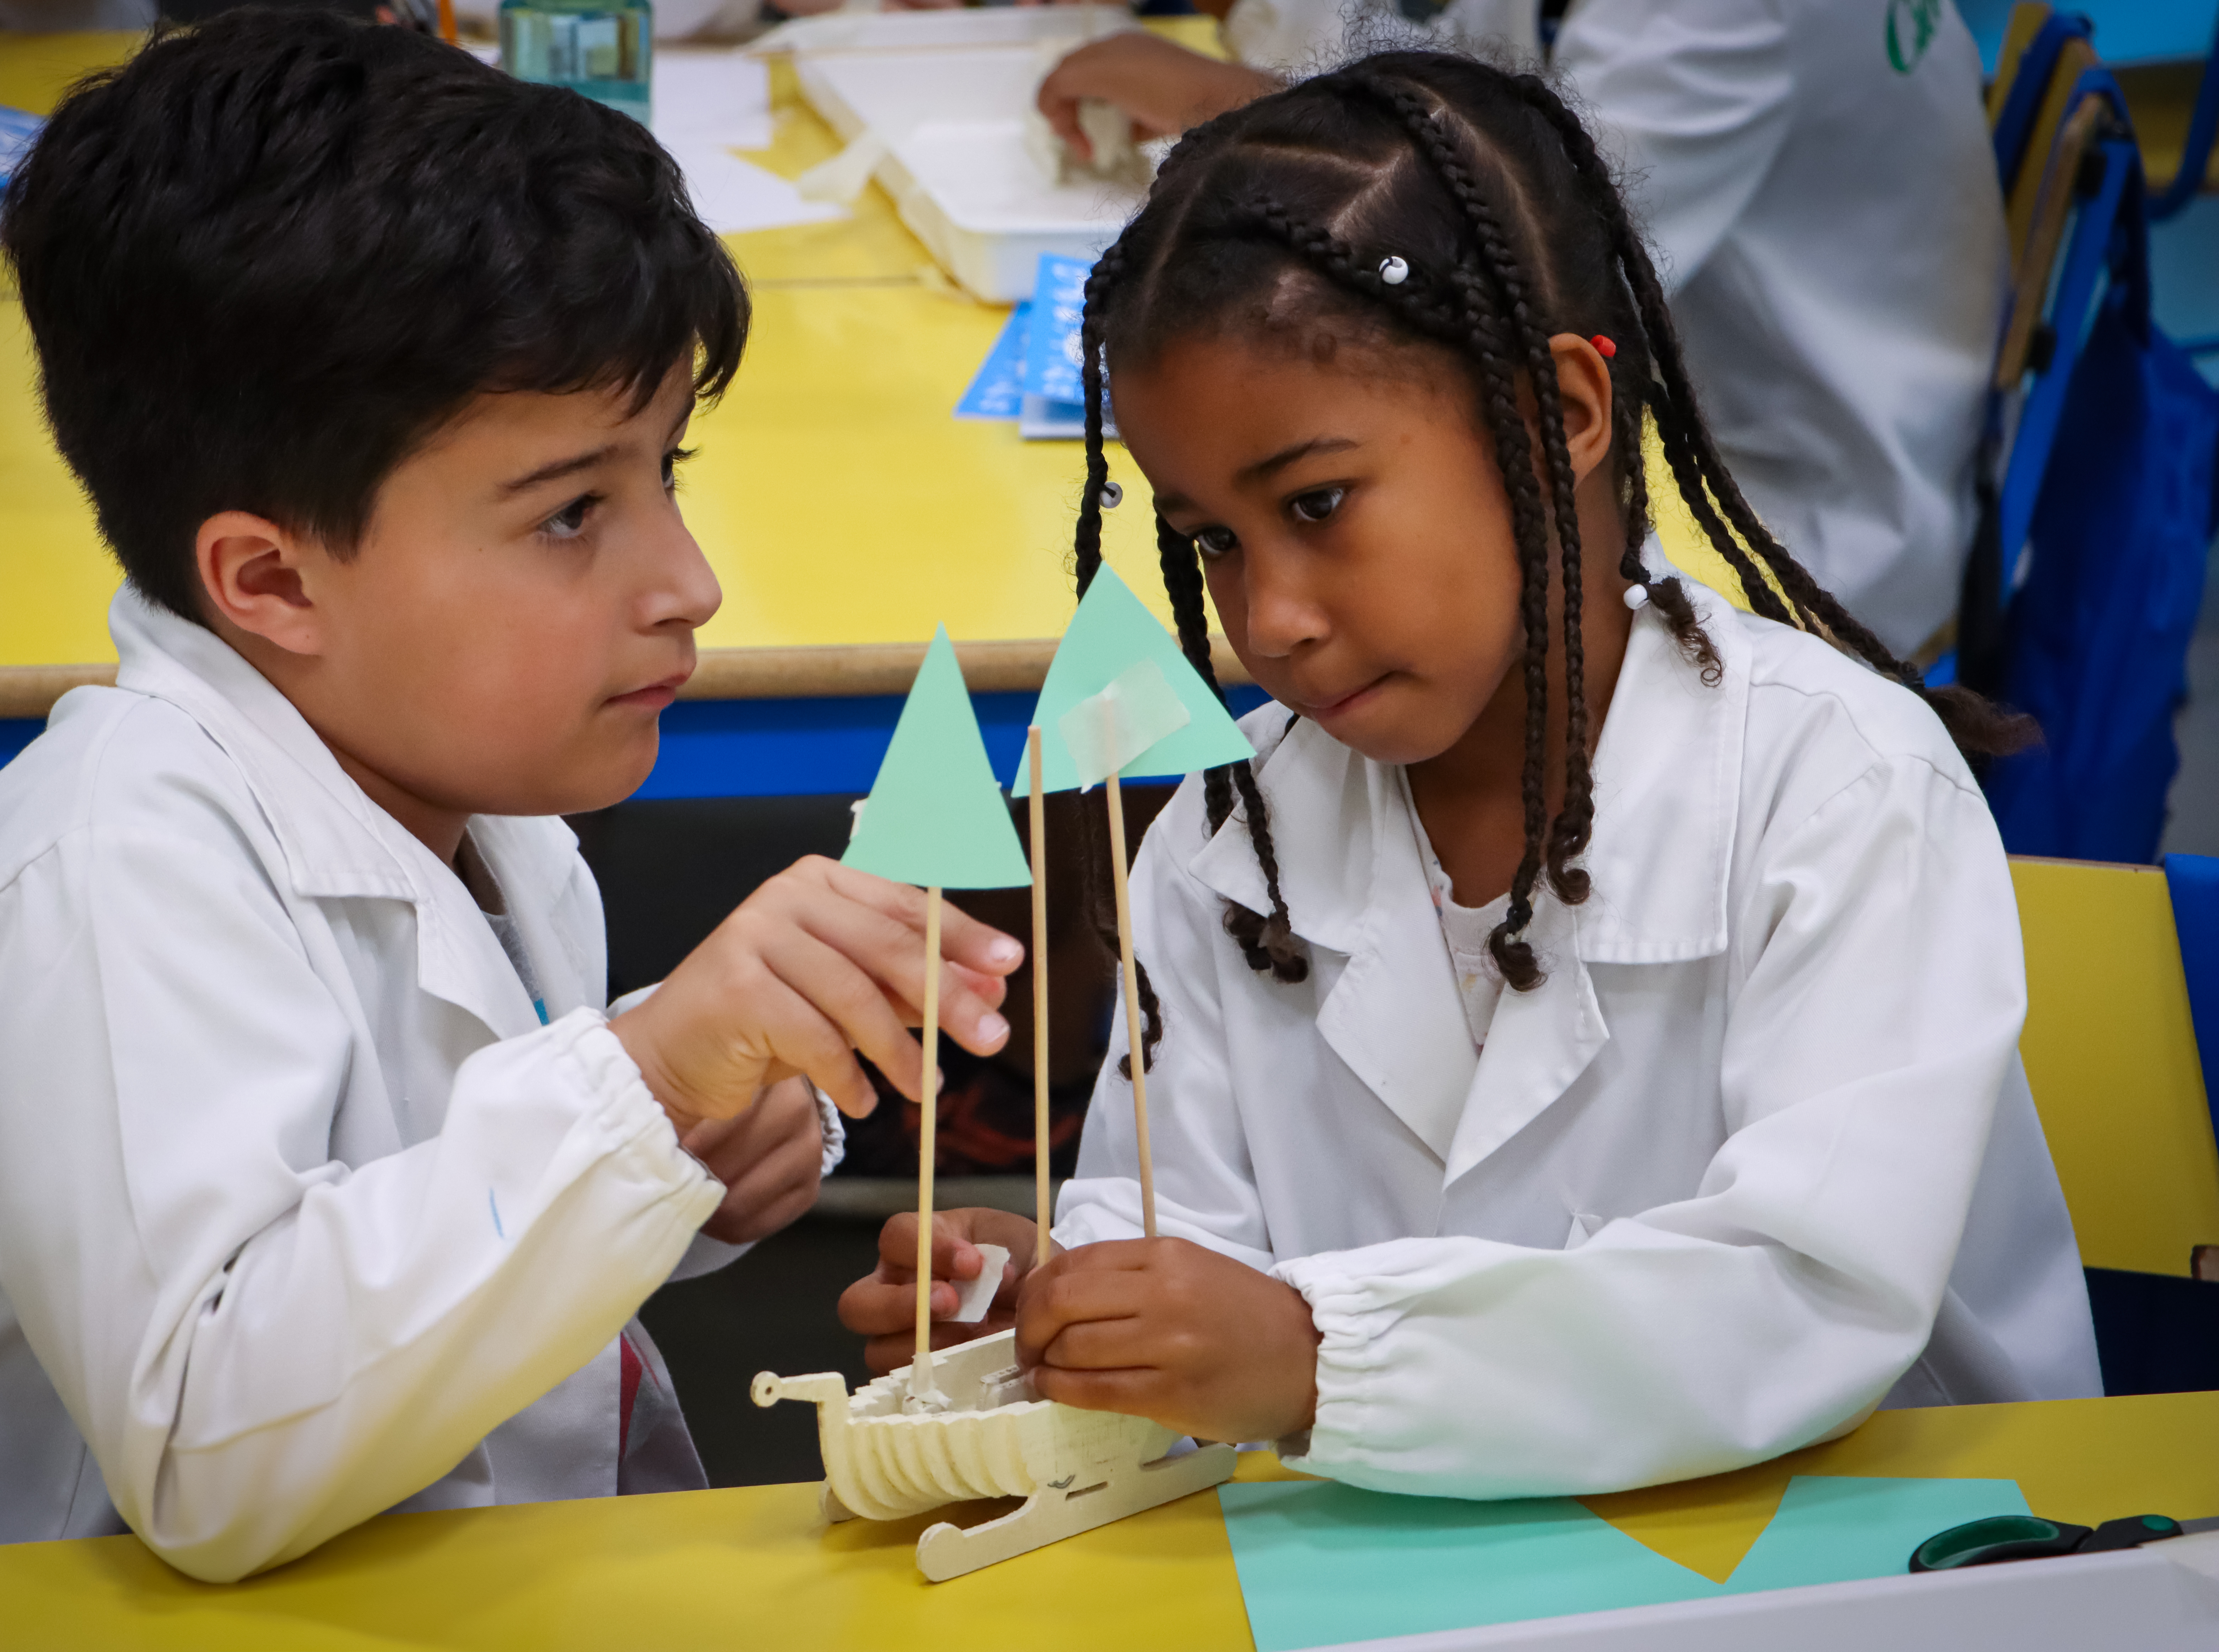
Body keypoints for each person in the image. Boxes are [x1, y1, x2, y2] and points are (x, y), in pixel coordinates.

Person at [0, 12, 1024, 1581]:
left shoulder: (469, 799)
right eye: (575, 510)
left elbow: (414, 1221)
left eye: (671, 472)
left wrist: (677, 1151)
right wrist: (642, 1081)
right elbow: (207, 1449)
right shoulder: (102, 883)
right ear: (270, 579)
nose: (692, 583)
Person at [842, 48, 2098, 1499]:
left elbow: (1807, 1301)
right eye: (1214, 542)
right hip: (1403, 1570)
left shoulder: (1839, 787)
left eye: (1321, 503)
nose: (1271, 619)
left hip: (1874, 1556)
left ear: (1562, 412)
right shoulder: (1224, 839)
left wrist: (1321, 1355)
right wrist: (1063, 1314)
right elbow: (1184, 1250)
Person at [1040, 0, 2006, 659]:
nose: (1270, 621)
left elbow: (1521, 232)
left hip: (1803, 508)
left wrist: (1219, 104)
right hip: (1716, 414)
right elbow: (1447, 75)